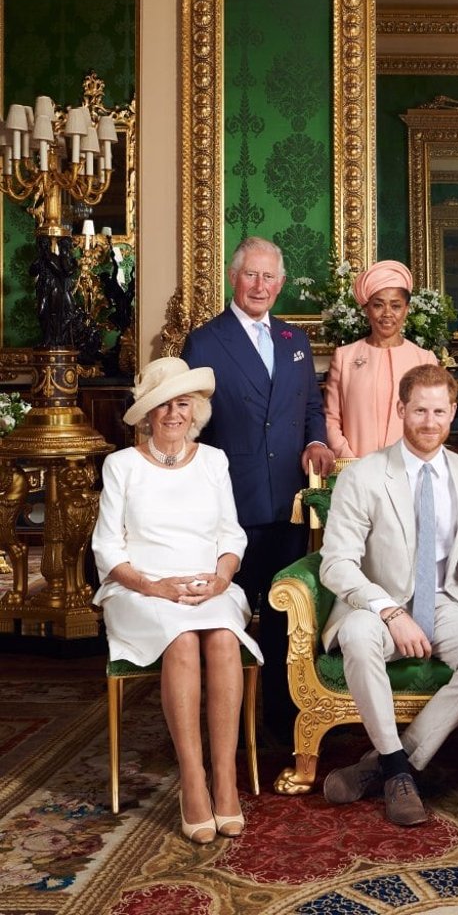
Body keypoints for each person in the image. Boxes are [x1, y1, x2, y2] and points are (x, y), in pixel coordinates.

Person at [92, 357, 262, 844]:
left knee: (225, 640)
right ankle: (193, 781)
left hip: (210, 585)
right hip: (139, 588)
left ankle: (224, 781)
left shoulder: (214, 461)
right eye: (162, 405)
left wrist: (221, 577)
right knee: (183, 640)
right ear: (147, 414)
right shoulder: (121, 466)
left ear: (196, 410)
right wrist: (155, 587)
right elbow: (108, 548)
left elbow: (231, 535)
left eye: (182, 404)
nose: (173, 414)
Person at [318, 365, 458, 826]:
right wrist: (390, 610)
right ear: (401, 410)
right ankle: (398, 771)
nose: (430, 421)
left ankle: (390, 764)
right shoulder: (364, 476)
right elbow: (336, 563)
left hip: (446, 601)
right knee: (357, 634)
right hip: (378, 603)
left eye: (439, 411)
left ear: (453, 412)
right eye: (419, 410)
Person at [181, 236, 335, 744]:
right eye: (252, 275)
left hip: (287, 502)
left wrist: (316, 440)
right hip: (232, 502)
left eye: (270, 277)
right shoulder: (204, 342)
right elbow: (191, 425)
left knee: (284, 614)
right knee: (230, 614)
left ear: (281, 284)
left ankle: (281, 721)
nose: (260, 286)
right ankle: (227, 723)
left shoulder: (294, 340)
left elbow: (311, 406)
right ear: (234, 277)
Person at [323, 259, 437, 458]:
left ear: (406, 310)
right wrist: (349, 461)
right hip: (355, 470)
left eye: (396, 306)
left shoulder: (424, 359)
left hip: (408, 471)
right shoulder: (344, 357)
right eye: (378, 305)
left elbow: (432, 421)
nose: (387, 314)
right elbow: (331, 418)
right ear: (367, 309)